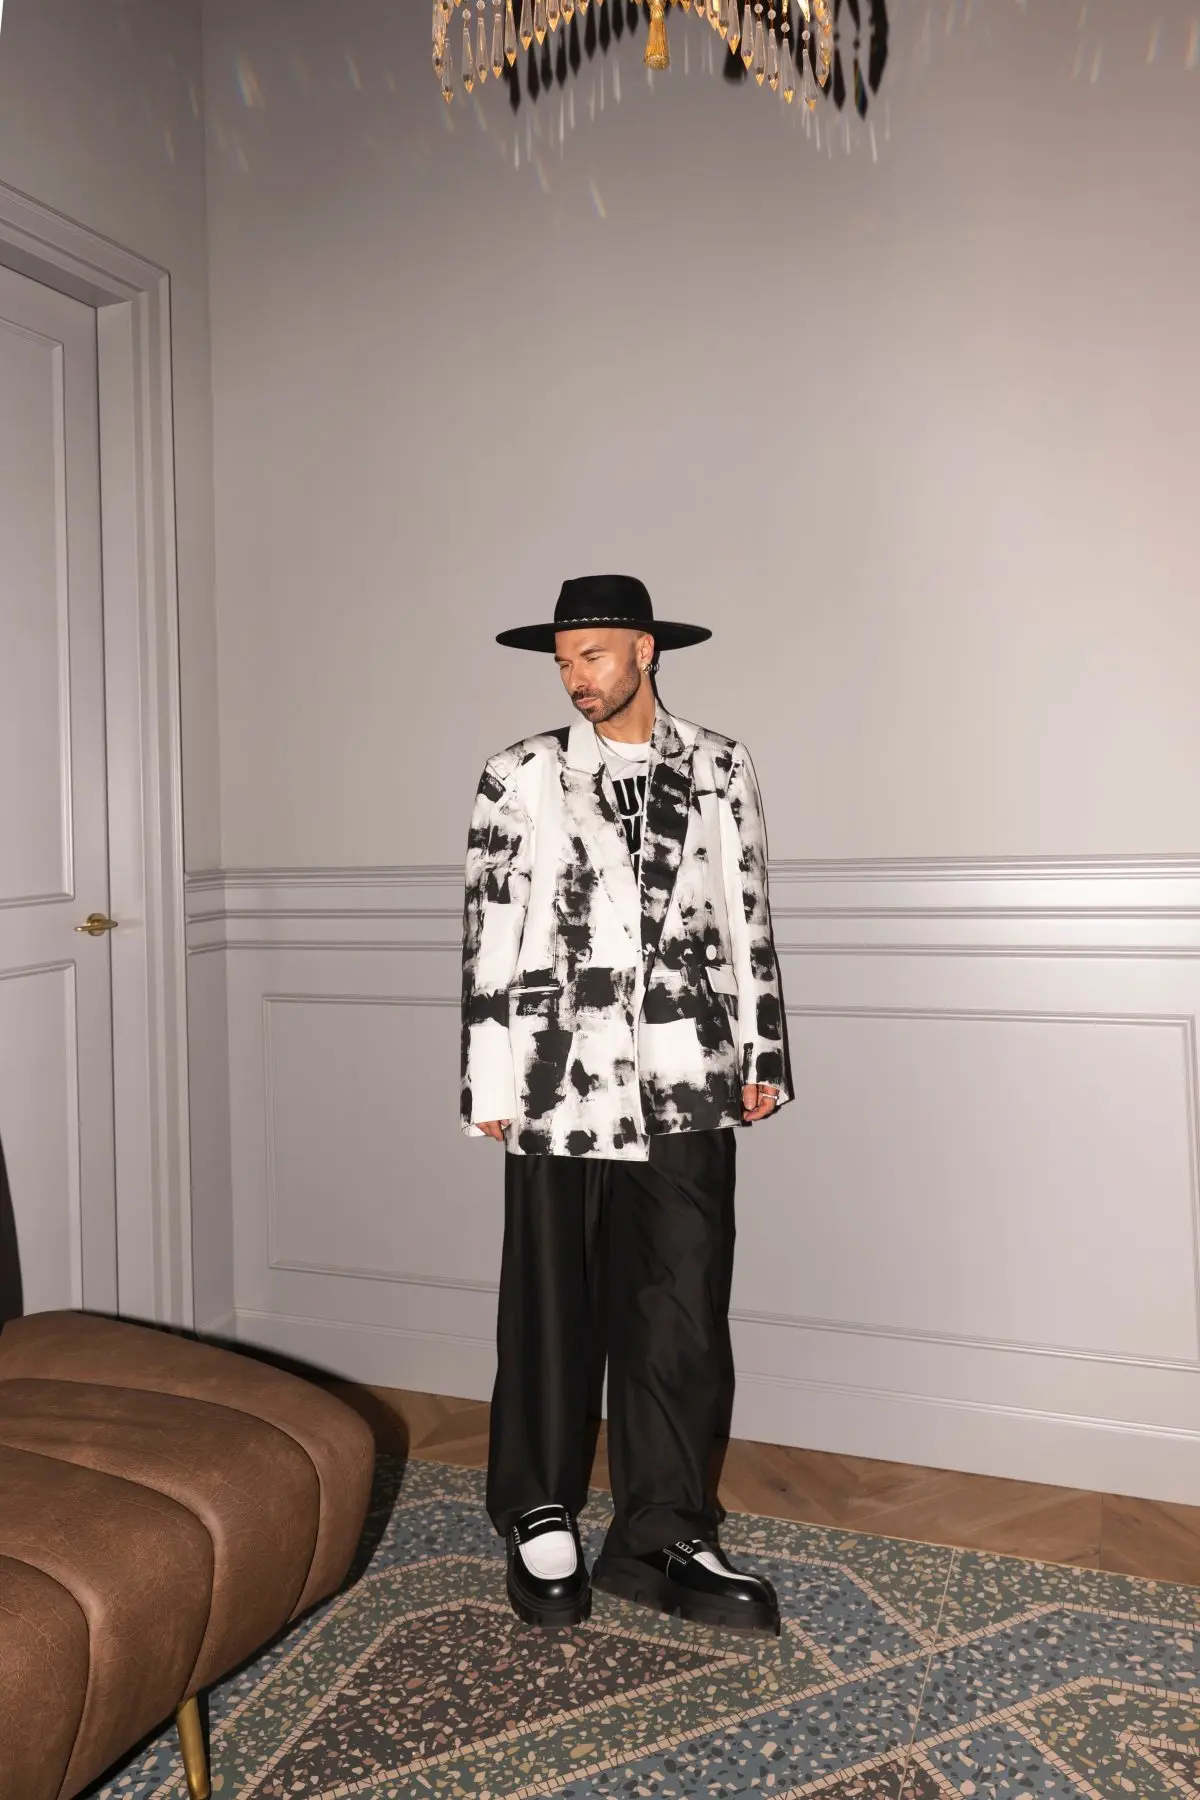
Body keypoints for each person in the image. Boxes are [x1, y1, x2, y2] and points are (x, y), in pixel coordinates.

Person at [460, 574, 792, 1636]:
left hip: (690, 1070)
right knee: (549, 1303)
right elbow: (489, 931)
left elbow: (746, 909)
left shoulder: (721, 764)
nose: (575, 677)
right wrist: (488, 1078)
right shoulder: (520, 774)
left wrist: (761, 1049)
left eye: (592, 655)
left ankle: (665, 1530)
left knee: (682, 1309)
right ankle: (539, 1509)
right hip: (556, 1073)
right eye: (564, 661)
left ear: (645, 650)